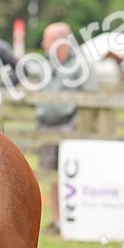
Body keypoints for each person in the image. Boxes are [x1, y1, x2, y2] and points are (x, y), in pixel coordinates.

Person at [33, 21, 97, 233]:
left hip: (71, 127)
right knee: (51, 175)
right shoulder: (46, 64)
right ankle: (58, 221)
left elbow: (91, 98)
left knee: (72, 175)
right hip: (47, 126)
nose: (43, 43)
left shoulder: (81, 65)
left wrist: (79, 127)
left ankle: (75, 220)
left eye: (47, 39)